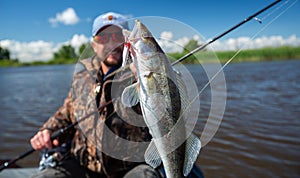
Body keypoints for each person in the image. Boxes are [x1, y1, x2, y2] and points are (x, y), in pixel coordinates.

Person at [30, 12, 204, 178]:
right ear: (93, 44)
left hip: (131, 168)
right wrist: (47, 130)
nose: (111, 43)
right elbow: (66, 113)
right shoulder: (81, 78)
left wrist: (142, 78)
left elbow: (165, 107)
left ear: (126, 42)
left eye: (117, 36)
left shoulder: (138, 75)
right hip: (83, 165)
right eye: (103, 37)